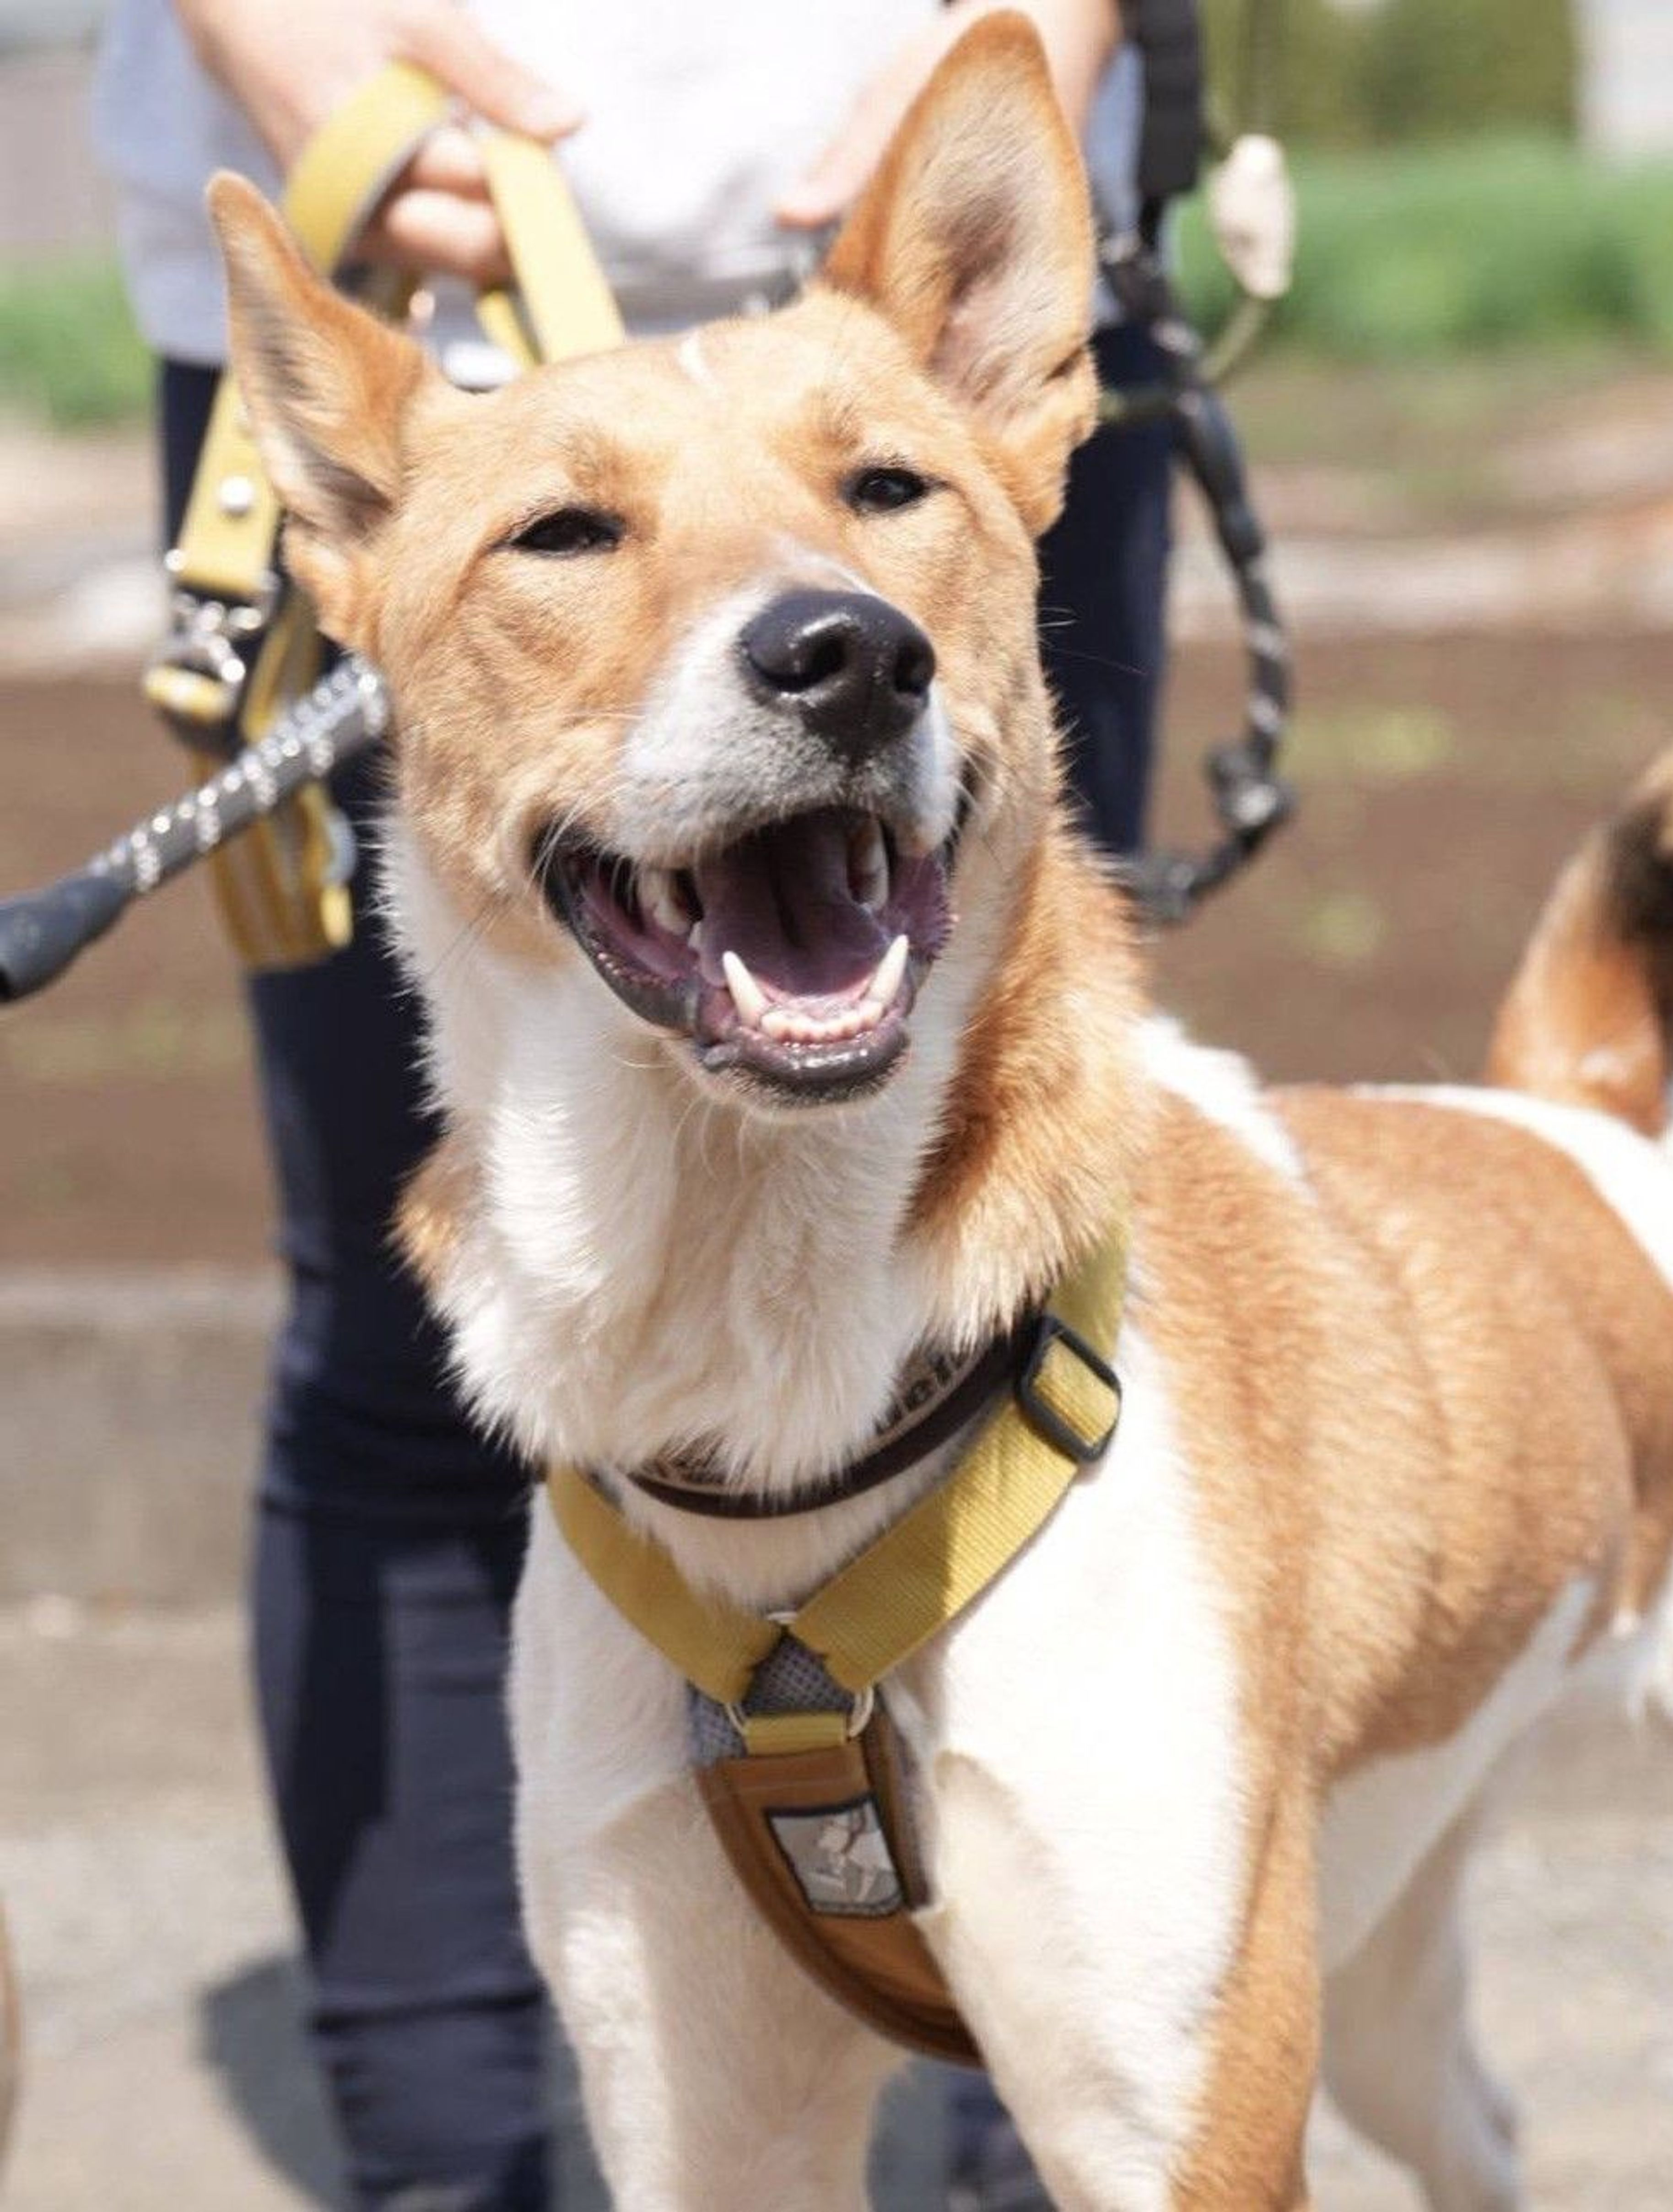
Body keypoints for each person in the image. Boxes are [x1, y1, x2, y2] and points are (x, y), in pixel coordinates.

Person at [92, 4, 1203, 2204]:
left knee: (1029, 1317)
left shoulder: (949, 453)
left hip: (943, 208)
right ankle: (459, 2175)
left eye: (875, 532)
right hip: (371, 204)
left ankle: (1041, 2148)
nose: (828, 624)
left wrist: (1055, 38)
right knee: (407, 1365)